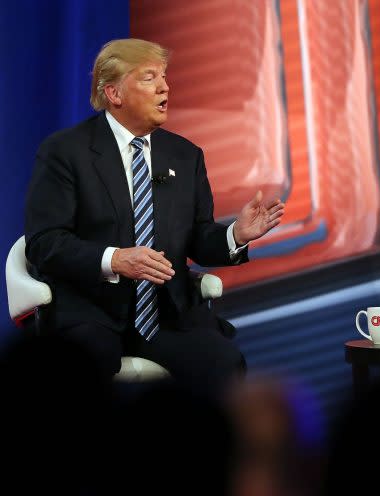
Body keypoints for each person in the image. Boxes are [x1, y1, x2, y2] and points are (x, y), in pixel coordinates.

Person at [24, 38, 285, 393]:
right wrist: (115, 259)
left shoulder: (184, 155)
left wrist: (235, 236)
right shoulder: (65, 152)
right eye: (149, 78)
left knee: (223, 363)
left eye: (164, 76)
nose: (165, 87)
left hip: (166, 316)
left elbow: (197, 237)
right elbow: (44, 243)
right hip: (90, 312)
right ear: (114, 93)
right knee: (80, 367)